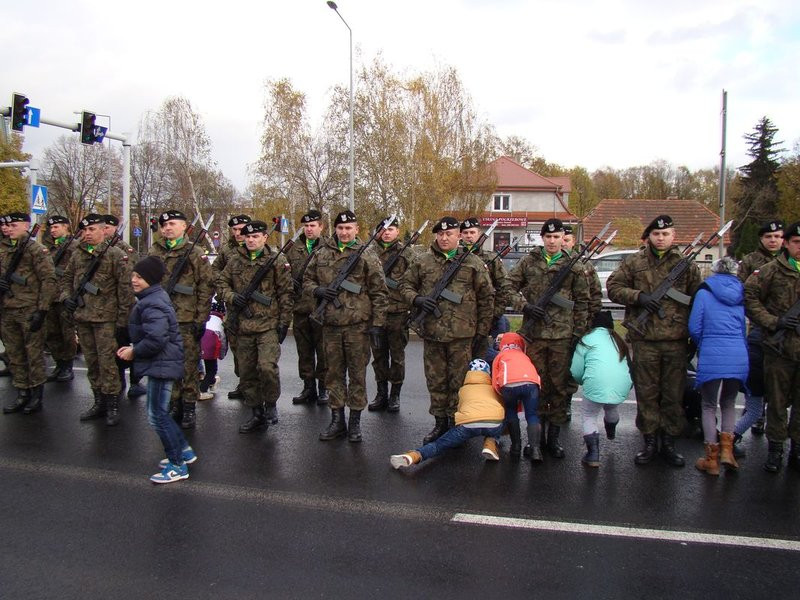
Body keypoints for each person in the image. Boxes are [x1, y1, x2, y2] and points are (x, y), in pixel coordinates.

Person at [607, 214, 702, 467]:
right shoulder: (634, 262)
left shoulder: (687, 265)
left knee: (672, 395)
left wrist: (695, 337)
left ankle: (669, 442)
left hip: (676, 341)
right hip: (644, 339)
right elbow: (613, 287)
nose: (661, 238)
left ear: (674, 236)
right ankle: (649, 441)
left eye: (666, 234)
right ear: (649, 236)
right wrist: (639, 297)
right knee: (647, 394)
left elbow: (698, 302)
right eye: (656, 234)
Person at [399, 216, 494, 444]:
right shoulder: (423, 261)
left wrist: (481, 332)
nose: (444, 238)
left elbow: (487, 297)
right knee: (436, 381)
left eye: (449, 234)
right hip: (432, 333)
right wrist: (418, 299)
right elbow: (404, 286)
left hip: (462, 336)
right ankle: (440, 424)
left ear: (459, 235)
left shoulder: (472, 263)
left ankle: (457, 425)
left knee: (460, 383)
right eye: (440, 234)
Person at [303, 210, 388, 442]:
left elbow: (379, 292)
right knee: (333, 375)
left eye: (348, 228)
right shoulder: (321, 253)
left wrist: (378, 324)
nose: (344, 232)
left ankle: (355, 423)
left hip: (357, 327)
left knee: (358, 375)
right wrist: (318, 291)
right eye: (340, 228)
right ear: (334, 229)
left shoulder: (366, 255)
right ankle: (337, 419)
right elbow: (307, 280)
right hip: (330, 326)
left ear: (356, 229)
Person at [508, 218, 589, 458]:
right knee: (536, 387)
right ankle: (536, 439)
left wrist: (578, 334)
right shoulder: (528, 261)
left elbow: (583, 302)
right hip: (534, 335)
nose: (553, 241)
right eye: (548, 237)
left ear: (563, 239)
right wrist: (525, 306)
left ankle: (553, 440)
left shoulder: (573, 265)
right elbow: (507, 286)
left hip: (562, 337)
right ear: (542, 238)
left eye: (557, 237)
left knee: (560, 388)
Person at [117, 255, 195, 484]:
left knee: (157, 416)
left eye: (139, 277)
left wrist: (133, 351)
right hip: (161, 362)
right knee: (159, 413)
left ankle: (177, 465)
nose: (134, 280)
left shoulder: (152, 302)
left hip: (161, 363)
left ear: (150, 279)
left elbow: (156, 338)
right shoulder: (152, 298)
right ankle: (185, 452)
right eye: (133, 275)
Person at [218, 220, 293, 433]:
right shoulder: (234, 261)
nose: (251, 240)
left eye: (256, 236)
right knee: (247, 372)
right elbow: (221, 283)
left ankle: (270, 404)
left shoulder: (277, 261)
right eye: (248, 236)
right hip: (242, 325)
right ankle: (256, 413)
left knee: (267, 367)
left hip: (267, 325)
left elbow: (286, 293)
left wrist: (283, 322)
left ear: (264, 238)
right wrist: (232, 297)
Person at [61, 214, 134, 425]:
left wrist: (123, 323)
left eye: (92, 230)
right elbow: (65, 280)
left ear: (104, 230)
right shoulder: (77, 255)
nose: (87, 234)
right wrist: (67, 298)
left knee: (108, 363)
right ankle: (98, 402)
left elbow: (125, 291)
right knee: (92, 363)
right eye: (84, 231)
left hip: (107, 320)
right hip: (83, 317)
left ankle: (112, 405)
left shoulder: (115, 255)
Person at [148, 210, 214, 429]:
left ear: (184, 227)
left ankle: (188, 407)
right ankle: (173, 403)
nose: (167, 227)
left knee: (187, 365)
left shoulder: (194, 253)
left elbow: (205, 286)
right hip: (160, 317)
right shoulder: (154, 251)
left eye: (173, 224)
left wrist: (201, 318)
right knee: (167, 364)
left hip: (186, 319)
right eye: (164, 224)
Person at [744, 220, 800, 473]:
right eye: (797, 242)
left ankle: (796, 449)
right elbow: (749, 297)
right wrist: (773, 321)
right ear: (787, 244)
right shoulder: (770, 271)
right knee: (776, 403)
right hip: (778, 349)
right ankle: (775, 449)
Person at [689, 257, 748, 475]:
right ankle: (727, 451)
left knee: (708, 404)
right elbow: (743, 327)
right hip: (738, 353)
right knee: (730, 402)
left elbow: (695, 326)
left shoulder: (704, 292)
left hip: (713, 352)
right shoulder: (741, 293)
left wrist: (704, 344)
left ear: (714, 271)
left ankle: (710, 458)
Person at [390, 359, 505, 469]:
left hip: (468, 424)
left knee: (439, 445)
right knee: (496, 422)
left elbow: (459, 409)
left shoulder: (463, 390)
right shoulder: (494, 388)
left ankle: (413, 456)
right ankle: (490, 443)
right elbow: (503, 408)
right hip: (493, 423)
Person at [0, 213, 56, 415]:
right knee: (16, 355)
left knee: (33, 356)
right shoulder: (4, 248)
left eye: (14, 225)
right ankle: (22, 392)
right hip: (8, 309)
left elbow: (48, 280)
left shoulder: (36, 250)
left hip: (29, 309)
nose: (10, 228)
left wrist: (42, 310)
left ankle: (36, 395)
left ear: (26, 226)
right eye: (8, 225)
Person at [734, 219, 784, 445]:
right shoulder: (751, 261)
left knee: (780, 379)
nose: (773, 240)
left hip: (788, 332)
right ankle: (756, 413)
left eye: (777, 237)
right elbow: (740, 290)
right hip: (758, 328)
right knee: (757, 374)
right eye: (768, 237)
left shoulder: (790, 261)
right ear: (761, 239)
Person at [570, 311, 633, 467]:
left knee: (589, 415)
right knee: (611, 406)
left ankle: (593, 454)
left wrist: (583, 382)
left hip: (595, 384)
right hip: (621, 385)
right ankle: (610, 430)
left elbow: (576, 370)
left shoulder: (586, 340)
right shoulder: (619, 342)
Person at [368, 216, 417, 413]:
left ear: (397, 231)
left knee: (397, 357)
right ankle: (381, 393)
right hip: (376, 313)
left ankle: (395, 394)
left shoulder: (408, 254)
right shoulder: (370, 253)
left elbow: (414, 283)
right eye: (383, 229)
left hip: (398, 313)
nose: (386, 232)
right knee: (378, 356)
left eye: (391, 229)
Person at [286, 210, 329, 405]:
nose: (309, 229)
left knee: (323, 351)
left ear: (321, 227)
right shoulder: (293, 249)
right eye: (306, 226)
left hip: (322, 309)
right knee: (304, 352)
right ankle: (308, 387)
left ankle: (323, 388)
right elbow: (282, 274)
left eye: (313, 225)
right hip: (300, 307)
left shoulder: (329, 248)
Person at [460, 217, 513, 359]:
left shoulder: (491, 258)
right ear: (460, 236)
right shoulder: (456, 258)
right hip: (463, 316)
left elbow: (505, 287)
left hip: (490, 315)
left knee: (491, 353)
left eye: (472, 232)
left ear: (479, 234)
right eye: (465, 233)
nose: (469, 236)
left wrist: (496, 312)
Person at [212, 214, 250, 401]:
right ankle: (243, 382)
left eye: (241, 229)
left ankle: (254, 384)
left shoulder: (256, 247)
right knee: (236, 346)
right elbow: (216, 271)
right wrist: (225, 291)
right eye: (234, 230)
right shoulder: (227, 250)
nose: (237, 233)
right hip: (233, 305)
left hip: (255, 307)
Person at [491, 332, 541, 462]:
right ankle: (535, 450)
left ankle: (516, 447)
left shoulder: (500, 356)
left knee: (511, 411)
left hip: (509, 384)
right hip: (531, 383)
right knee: (532, 415)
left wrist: (500, 394)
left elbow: (495, 381)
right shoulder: (525, 356)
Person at [43, 215, 79, 383]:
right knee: (52, 332)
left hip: (65, 296)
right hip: (49, 296)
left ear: (66, 227)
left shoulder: (74, 246)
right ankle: (59, 363)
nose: (53, 230)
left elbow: (75, 271)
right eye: (51, 228)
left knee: (67, 332)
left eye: (57, 227)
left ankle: (68, 365)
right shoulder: (48, 247)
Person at [198, 297, 226, 401]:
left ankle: (211, 381)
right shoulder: (219, 322)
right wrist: (222, 355)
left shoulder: (205, 318)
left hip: (201, 338)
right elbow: (223, 341)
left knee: (206, 364)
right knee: (212, 369)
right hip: (212, 339)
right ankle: (202, 391)